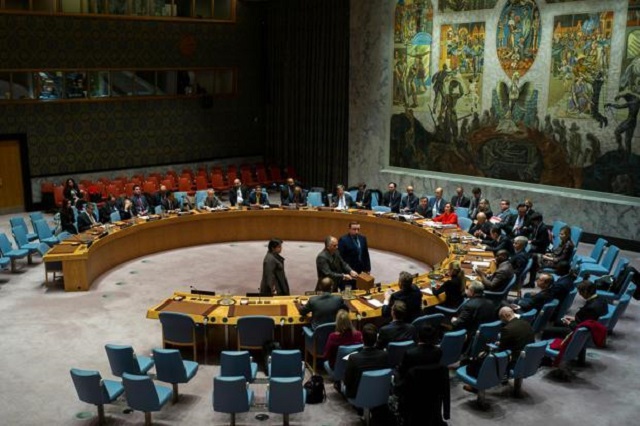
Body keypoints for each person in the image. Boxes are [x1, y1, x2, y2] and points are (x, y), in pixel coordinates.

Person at [343, 323, 389, 399]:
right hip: (379, 392)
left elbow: (346, 382)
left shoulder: (353, 358)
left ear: (362, 338)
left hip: (358, 396)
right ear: (376, 339)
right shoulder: (385, 355)